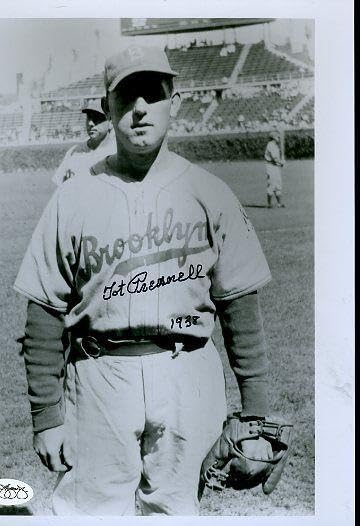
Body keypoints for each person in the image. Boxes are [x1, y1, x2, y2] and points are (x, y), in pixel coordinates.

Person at [14, 45, 273, 516]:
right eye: (127, 95)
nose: (139, 109)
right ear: (108, 105)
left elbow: (240, 307)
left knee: (176, 511)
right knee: (89, 512)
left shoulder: (209, 192)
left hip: (187, 373)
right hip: (98, 374)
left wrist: (255, 413)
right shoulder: (72, 199)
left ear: (173, 101)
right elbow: (44, 313)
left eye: (151, 94)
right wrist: (46, 416)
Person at [52, 98, 115, 185]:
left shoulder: (117, 152)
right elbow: (59, 186)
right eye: (89, 117)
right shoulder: (74, 152)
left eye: (96, 118)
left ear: (111, 122)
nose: (90, 123)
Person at [264, 131, 285, 208]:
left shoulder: (275, 145)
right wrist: (281, 162)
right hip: (271, 167)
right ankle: (269, 204)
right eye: (278, 137)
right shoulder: (270, 145)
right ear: (273, 137)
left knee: (278, 184)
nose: (279, 138)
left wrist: (280, 162)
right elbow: (274, 158)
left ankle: (279, 203)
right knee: (271, 184)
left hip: (275, 166)